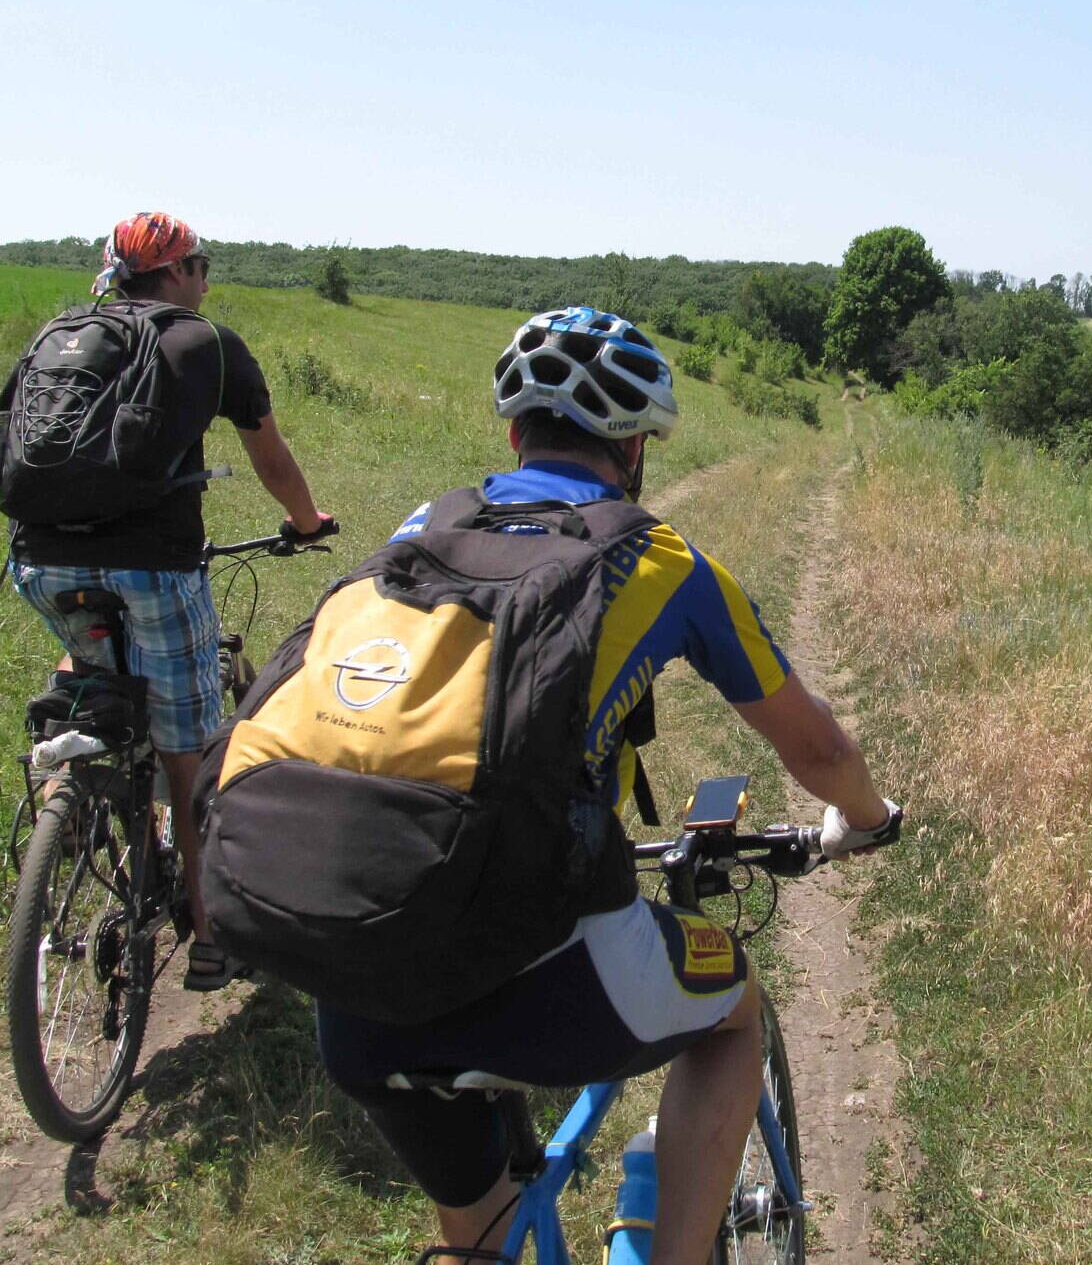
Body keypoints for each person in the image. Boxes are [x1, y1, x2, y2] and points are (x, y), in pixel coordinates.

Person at [313, 306, 901, 1264]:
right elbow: (822, 751)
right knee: (733, 1014)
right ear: (633, 450)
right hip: (538, 968)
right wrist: (866, 822)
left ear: (515, 436)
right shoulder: (658, 559)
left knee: (480, 1240)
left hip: (351, 976)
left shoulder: (420, 528)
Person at [7, 211, 333, 991]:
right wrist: (307, 521)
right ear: (180, 270)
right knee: (189, 751)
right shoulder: (208, 344)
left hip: (39, 559)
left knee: (89, 661)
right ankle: (213, 936)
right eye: (202, 265)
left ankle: (62, 799)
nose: (207, 280)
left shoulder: (64, 334)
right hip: (153, 568)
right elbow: (271, 458)